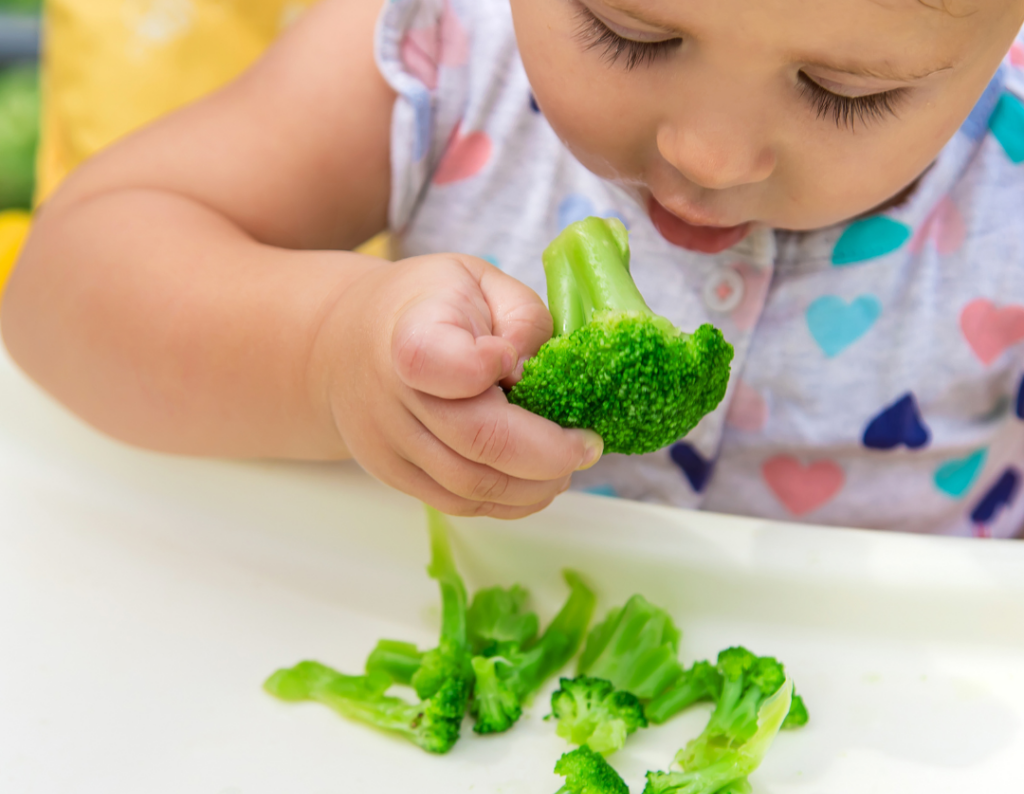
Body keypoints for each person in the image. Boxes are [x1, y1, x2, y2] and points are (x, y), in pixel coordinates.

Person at [3, 0, 1024, 536]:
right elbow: (68, 280)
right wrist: (323, 352)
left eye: (844, 91)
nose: (709, 154)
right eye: (629, 31)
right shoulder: (448, 51)